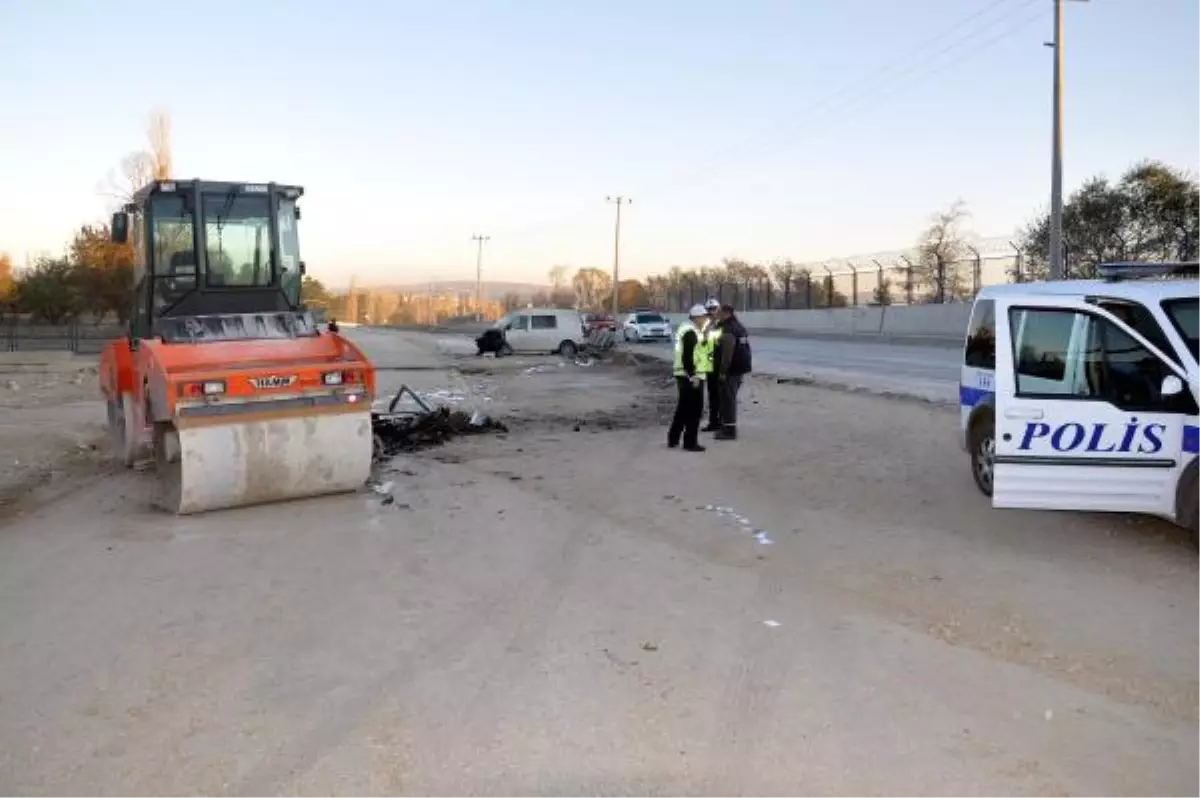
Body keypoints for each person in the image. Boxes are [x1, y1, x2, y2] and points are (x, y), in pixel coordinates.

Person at [668, 305, 710, 452]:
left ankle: (673, 438)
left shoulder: (688, 329)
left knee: (683, 408)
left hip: (684, 375)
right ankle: (690, 442)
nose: (706, 319)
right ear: (697, 317)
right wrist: (694, 376)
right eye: (704, 317)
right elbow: (688, 357)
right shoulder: (690, 332)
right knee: (694, 411)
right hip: (691, 377)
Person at [713, 303, 752, 441]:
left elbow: (727, 353)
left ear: (726, 313)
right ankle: (726, 427)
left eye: (719, 312)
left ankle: (729, 431)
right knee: (729, 398)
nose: (717, 314)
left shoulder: (728, 329)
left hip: (731, 369)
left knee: (728, 399)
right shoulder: (738, 326)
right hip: (739, 368)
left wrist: (723, 371)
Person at [701, 298, 724, 432]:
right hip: (710, 365)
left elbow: (719, 344)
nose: (711, 312)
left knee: (720, 396)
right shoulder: (707, 325)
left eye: (713, 309)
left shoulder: (722, 325)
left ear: (718, 309)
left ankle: (721, 422)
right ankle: (713, 422)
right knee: (712, 395)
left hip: (719, 364)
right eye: (709, 310)